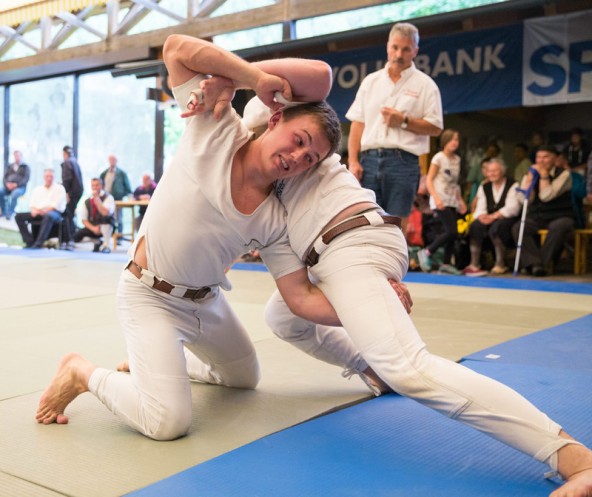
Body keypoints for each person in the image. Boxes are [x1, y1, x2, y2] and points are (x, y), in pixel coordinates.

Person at [231, 96, 592, 497]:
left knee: (408, 367)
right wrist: (367, 310)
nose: (298, 156)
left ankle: (574, 458)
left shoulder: (262, 123)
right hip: (326, 258)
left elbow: (303, 79)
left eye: (308, 150)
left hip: (352, 241)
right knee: (281, 318)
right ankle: (373, 369)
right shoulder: (245, 186)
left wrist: (231, 83)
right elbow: (297, 299)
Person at [35, 34, 343, 441]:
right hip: (150, 296)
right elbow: (175, 48)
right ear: (274, 120)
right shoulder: (215, 127)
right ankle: (81, 372)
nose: (298, 158)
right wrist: (247, 78)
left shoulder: (276, 217)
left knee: (243, 378)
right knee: (167, 422)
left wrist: (367, 309)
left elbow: (300, 297)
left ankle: (157, 367)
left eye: (311, 159)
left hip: (207, 303)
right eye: (299, 141)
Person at [345, 22, 443, 234]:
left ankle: (394, 268)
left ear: (415, 51)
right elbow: (357, 122)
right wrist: (353, 161)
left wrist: (404, 121)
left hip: (403, 161)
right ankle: (369, 267)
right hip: (368, 160)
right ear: (388, 46)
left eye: (406, 49)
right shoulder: (371, 81)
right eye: (395, 47)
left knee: (395, 227)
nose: (399, 54)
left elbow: (436, 128)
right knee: (365, 222)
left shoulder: (425, 85)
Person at [512, 146, 574, 277]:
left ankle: (539, 264)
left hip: (560, 215)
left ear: (554, 159)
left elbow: (546, 196)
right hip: (538, 216)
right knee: (519, 228)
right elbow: (524, 200)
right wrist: (529, 179)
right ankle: (536, 264)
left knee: (559, 227)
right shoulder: (530, 174)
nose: (541, 161)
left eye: (545, 157)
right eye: (538, 157)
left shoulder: (564, 174)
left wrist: (544, 176)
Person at [418, 129, 467, 274]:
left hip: (452, 200)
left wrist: (461, 200)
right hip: (440, 199)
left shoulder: (457, 160)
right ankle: (427, 251)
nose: (454, 143)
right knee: (452, 230)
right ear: (445, 141)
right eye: (452, 139)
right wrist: (436, 197)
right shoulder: (438, 158)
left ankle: (446, 263)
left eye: (456, 140)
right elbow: (429, 179)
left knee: (453, 233)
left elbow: (455, 183)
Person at [464, 158, 521, 276]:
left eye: (495, 171)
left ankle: (500, 263)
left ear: (502, 171)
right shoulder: (484, 186)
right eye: (489, 171)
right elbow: (480, 207)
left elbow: (513, 207)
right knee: (475, 225)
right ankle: (474, 264)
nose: (492, 174)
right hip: (489, 217)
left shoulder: (513, 184)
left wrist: (494, 216)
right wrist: (481, 216)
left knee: (496, 228)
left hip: (506, 218)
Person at [15, 168, 66, 249]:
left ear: (54, 177)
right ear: (44, 177)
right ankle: (29, 241)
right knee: (18, 216)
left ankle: (39, 243)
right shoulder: (37, 189)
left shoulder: (59, 188)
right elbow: (32, 204)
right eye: (47, 176)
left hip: (54, 213)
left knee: (48, 215)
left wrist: (44, 211)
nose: (49, 178)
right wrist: (34, 210)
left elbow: (55, 205)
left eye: (51, 176)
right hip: (38, 212)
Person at [73, 177, 116, 253]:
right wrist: (93, 228)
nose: (95, 187)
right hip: (94, 226)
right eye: (93, 185)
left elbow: (105, 213)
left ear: (102, 186)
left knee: (106, 221)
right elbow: (84, 220)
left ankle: (106, 245)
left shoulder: (108, 197)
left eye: (97, 185)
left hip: (105, 225)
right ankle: (97, 242)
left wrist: (97, 199)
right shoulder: (87, 201)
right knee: (76, 236)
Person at [100, 155, 132, 235]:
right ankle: (109, 234)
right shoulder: (104, 173)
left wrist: (127, 195)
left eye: (113, 160)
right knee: (107, 216)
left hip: (118, 198)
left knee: (119, 217)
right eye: (110, 160)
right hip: (107, 199)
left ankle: (119, 235)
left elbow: (127, 187)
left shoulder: (121, 173)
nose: (112, 161)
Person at [60, 146, 84, 250]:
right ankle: (71, 239)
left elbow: (67, 179)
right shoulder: (75, 161)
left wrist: (66, 192)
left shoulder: (67, 162)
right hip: (78, 191)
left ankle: (69, 241)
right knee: (70, 214)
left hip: (72, 192)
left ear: (64, 153)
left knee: (68, 216)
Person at [0, 150, 30, 220]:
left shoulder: (25, 167)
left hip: (20, 188)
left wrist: (16, 185)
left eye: (18, 156)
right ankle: (3, 211)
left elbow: (26, 179)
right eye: (15, 156)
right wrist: (7, 184)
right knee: (0, 191)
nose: (17, 157)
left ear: (21, 156)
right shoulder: (10, 166)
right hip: (8, 187)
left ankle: (9, 213)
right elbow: (4, 177)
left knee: (15, 193)